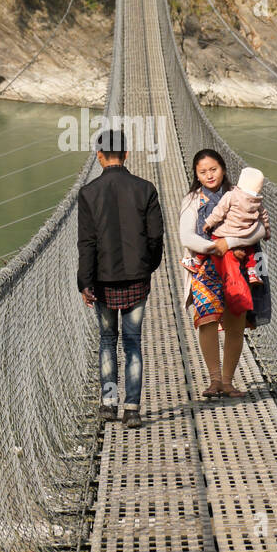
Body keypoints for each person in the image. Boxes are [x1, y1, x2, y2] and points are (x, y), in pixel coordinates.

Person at [77, 128, 164, 429]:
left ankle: (108, 403)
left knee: (106, 340)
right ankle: (132, 409)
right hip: (136, 281)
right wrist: (147, 267)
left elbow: (86, 243)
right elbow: (156, 237)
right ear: (126, 155)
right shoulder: (146, 189)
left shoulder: (88, 193)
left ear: (99, 156)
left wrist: (85, 283)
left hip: (102, 281)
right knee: (132, 343)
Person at [179, 149, 268, 399]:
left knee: (234, 323)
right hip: (206, 267)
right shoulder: (192, 200)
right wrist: (215, 248)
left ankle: (228, 382)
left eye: (213, 169)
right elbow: (186, 236)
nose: (209, 175)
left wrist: (229, 242)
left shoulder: (241, 193)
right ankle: (214, 380)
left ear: (223, 169)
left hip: (237, 268)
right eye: (203, 171)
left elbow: (259, 228)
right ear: (196, 175)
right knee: (206, 320)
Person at [202, 166, 270, 311]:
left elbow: (219, 212)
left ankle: (196, 260)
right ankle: (252, 271)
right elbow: (264, 217)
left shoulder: (231, 195)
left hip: (225, 232)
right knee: (250, 249)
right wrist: (267, 230)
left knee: (211, 242)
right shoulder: (256, 200)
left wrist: (208, 223)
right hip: (246, 233)